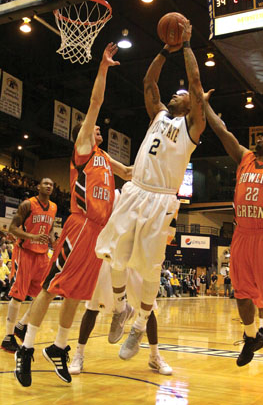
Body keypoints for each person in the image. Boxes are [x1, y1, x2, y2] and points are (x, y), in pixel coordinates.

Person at [14, 43, 132, 388]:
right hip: (79, 226)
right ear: (83, 132)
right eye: (92, 129)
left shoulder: (105, 161)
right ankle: (27, 347)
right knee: (51, 289)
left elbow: (129, 171)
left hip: (100, 233)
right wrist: (104, 68)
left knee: (78, 294)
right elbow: (95, 104)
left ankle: (59, 346)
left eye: (97, 130)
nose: (97, 131)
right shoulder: (83, 150)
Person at [95, 19, 205, 361]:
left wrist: (186, 45)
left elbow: (197, 85)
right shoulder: (158, 115)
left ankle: (141, 325)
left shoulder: (192, 128)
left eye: (182, 95)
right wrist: (164, 50)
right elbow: (149, 82)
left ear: (191, 106)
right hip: (135, 190)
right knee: (113, 253)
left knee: (149, 269)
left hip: (160, 200)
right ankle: (121, 308)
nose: (176, 94)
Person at [204, 92, 263, 401]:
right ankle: (251, 337)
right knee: (241, 296)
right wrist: (204, 105)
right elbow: (222, 130)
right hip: (241, 236)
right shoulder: (245, 158)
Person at [69, 259, 172, 376]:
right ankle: (78, 355)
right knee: (93, 306)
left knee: (148, 307)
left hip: (135, 256)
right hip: (110, 255)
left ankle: (154, 356)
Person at [1, 178, 57, 353]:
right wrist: (32, 237)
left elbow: (49, 228)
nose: (49, 186)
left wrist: (54, 240)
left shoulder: (54, 207)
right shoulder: (27, 204)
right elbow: (12, 228)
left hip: (42, 256)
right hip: (24, 253)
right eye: (45, 183)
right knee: (18, 296)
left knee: (44, 295)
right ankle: (8, 337)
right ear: (38, 186)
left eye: (52, 184)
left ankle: (21, 325)